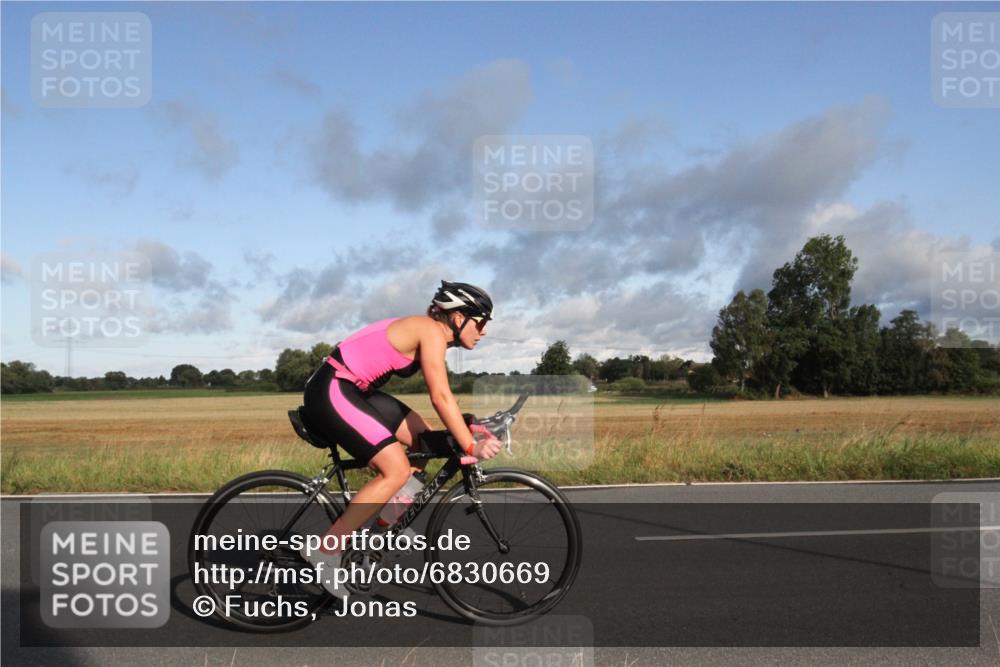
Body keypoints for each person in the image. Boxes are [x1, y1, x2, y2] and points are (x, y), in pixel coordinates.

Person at [299, 281, 503, 600]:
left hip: (356, 390)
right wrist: (469, 445)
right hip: (333, 388)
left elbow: (445, 402)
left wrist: (466, 428)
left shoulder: (429, 332)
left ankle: (382, 529)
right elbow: (440, 396)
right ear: (459, 317)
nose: (484, 331)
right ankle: (326, 551)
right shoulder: (431, 331)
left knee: (425, 441)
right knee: (394, 470)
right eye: (482, 322)